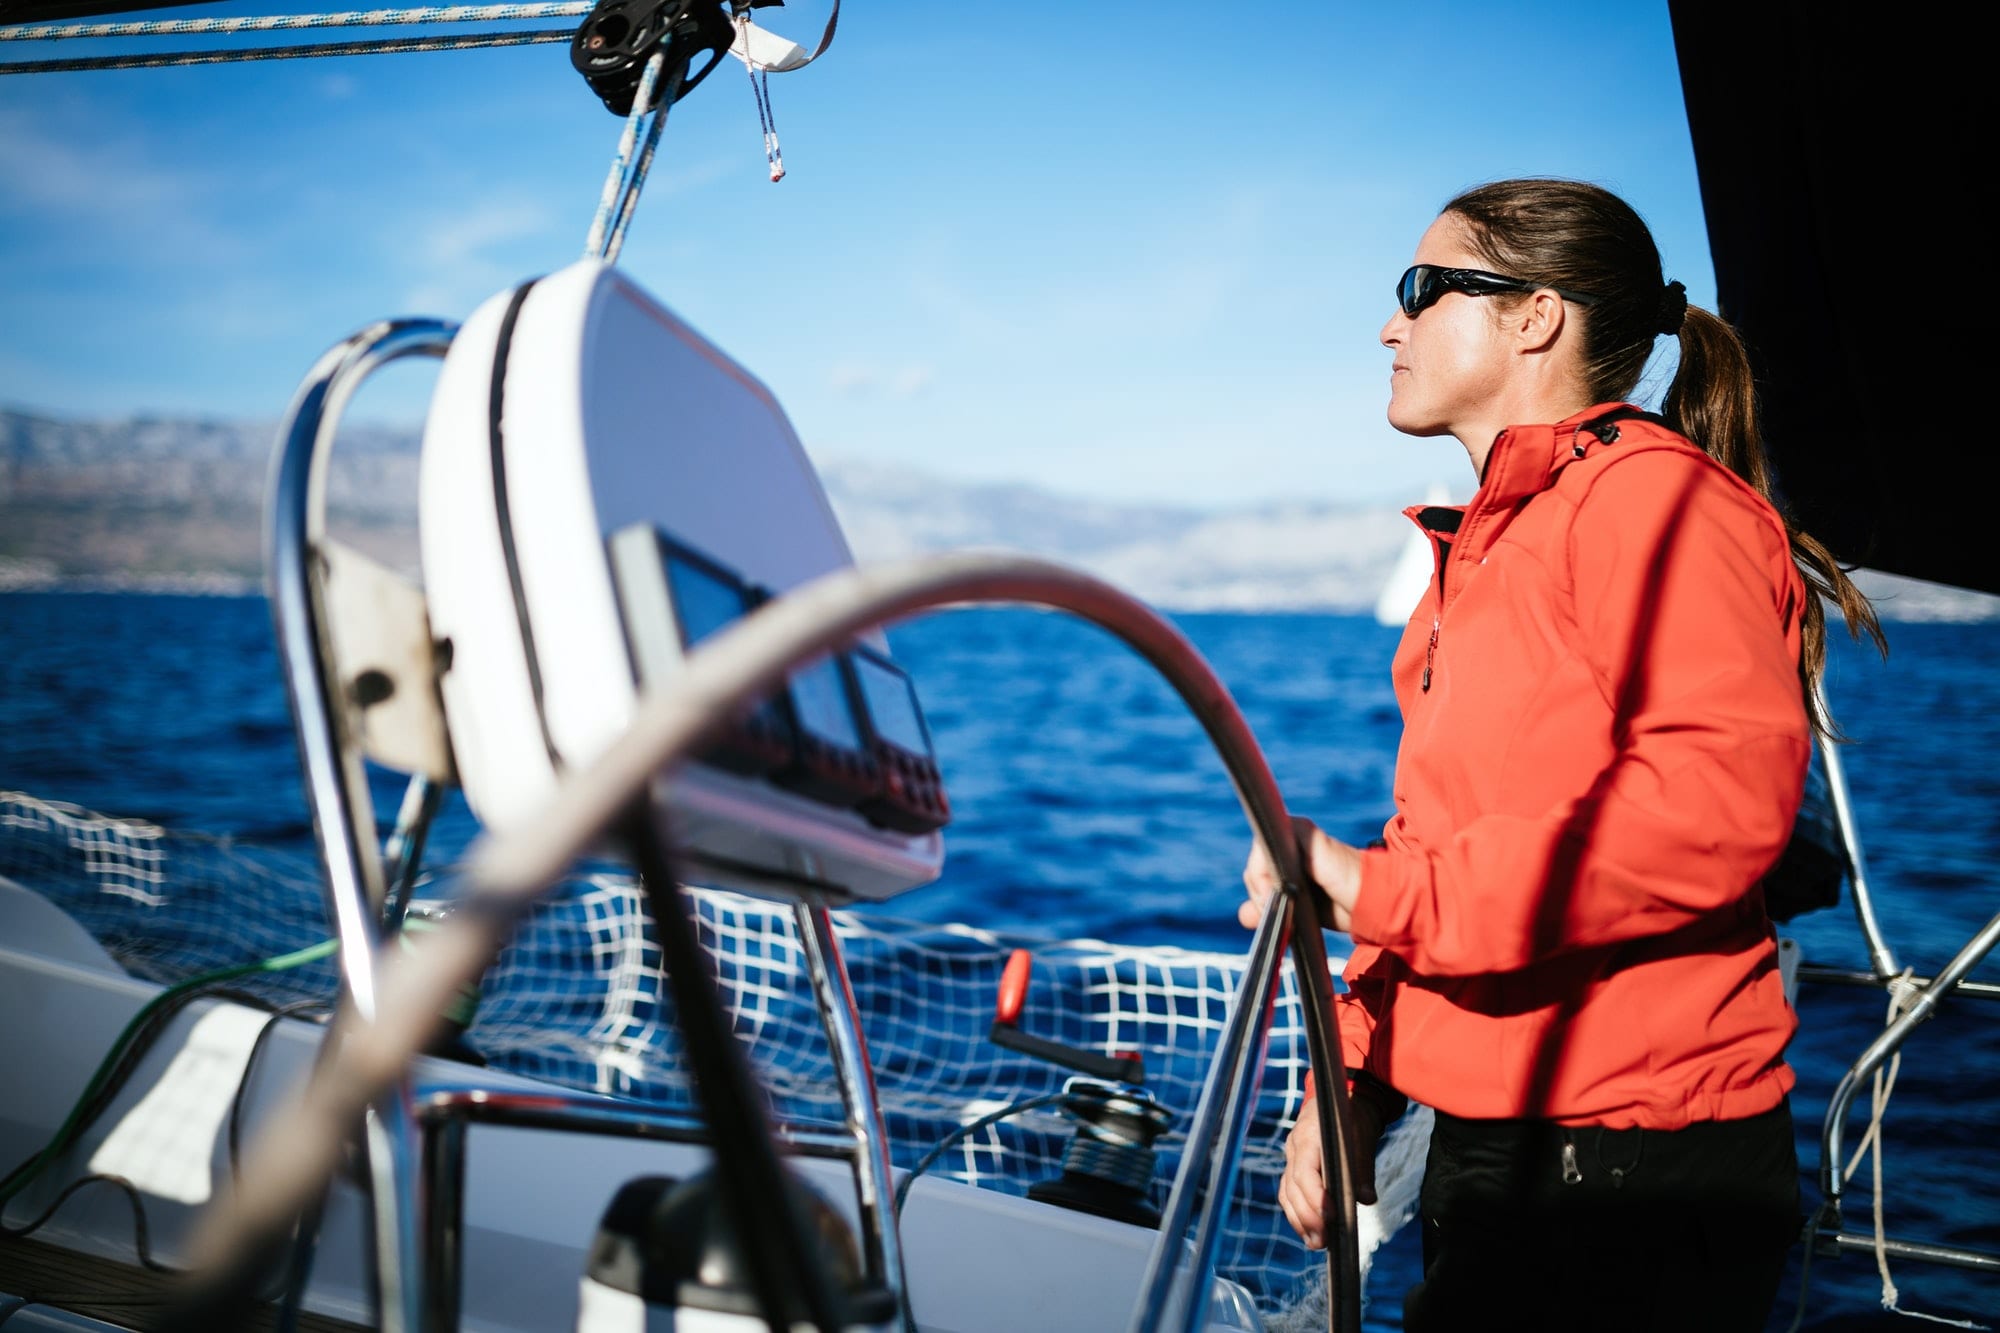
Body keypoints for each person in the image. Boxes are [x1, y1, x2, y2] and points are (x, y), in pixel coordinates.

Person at [1239, 177, 1884, 1332]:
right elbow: (1437, 851)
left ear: (1534, 315)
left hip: (1630, 1175)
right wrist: (1346, 1089)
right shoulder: (1493, 544)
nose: (1391, 324)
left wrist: (1369, 886)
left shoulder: (1653, 506)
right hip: (1500, 1145)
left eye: (1421, 289)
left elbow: (1709, 805)